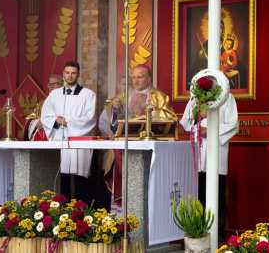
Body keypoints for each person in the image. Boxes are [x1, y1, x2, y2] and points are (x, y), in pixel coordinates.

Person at [98, 64, 177, 206]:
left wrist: (150, 112)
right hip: (124, 150)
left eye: (140, 77)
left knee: (146, 190)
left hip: (148, 149)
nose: (135, 81)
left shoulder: (159, 97)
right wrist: (115, 110)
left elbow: (169, 120)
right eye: (133, 77)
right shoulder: (123, 96)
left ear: (148, 79)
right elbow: (114, 126)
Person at [180, 84, 238, 241]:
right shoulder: (195, 98)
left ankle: (217, 237)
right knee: (198, 194)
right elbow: (186, 121)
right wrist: (198, 128)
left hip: (216, 151)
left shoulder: (226, 97)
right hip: (198, 152)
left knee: (217, 196)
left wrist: (211, 130)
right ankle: (198, 235)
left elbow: (233, 124)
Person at [41, 61, 96, 202]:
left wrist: (68, 122)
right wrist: (56, 120)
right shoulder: (54, 94)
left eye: (73, 73)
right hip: (60, 140)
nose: (70, 76)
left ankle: (81, 213)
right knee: (63, 179)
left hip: (79, 143)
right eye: (67, 73)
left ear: (78, 75)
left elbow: (90, 119)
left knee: (80, 181)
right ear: (63, 74)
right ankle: (63, 214)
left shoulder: (88, 95)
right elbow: (45, 115)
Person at [24, 75, 63, 141]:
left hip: (59, 138)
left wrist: (47, 122)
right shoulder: (42, 104)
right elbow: (30, 119)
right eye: (50, 84)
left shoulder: (66, 102)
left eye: (54, 84)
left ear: (62, 86)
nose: (50, 87)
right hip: (42, 141)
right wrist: (36, 123)